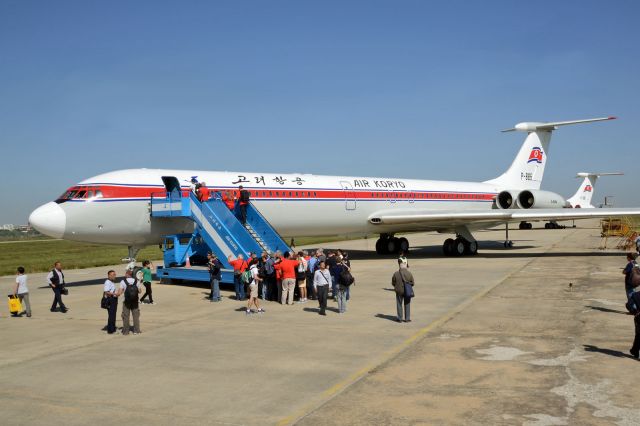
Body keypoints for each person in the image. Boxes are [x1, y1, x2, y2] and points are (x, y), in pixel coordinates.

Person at [118, 269, 142, 335]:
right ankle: (136, 330)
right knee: (136, 316)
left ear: (127, 274)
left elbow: (119, 292)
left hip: (126, 301)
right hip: (135, 301)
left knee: (126, 316)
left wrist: (117, 294)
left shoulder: (123, 281)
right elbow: (140, 291)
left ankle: (126, 331)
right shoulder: (137, 281)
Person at [391, 258, 414, 322]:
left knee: (399, 304)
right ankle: (407, 318)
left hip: (399, 291)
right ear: (406, 265)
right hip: (407, 291)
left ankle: (400, 318)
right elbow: (413, 283)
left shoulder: (396, 273)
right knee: (407, 303)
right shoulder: (409, 273)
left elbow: (393, 282)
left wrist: (396, 286)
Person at [629, 290, 640, 359]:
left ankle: (635, 350)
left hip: (639, 318)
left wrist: (635, 312)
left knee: (638, 334)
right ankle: (634, 350)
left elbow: (629, 305)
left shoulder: (635, 295)